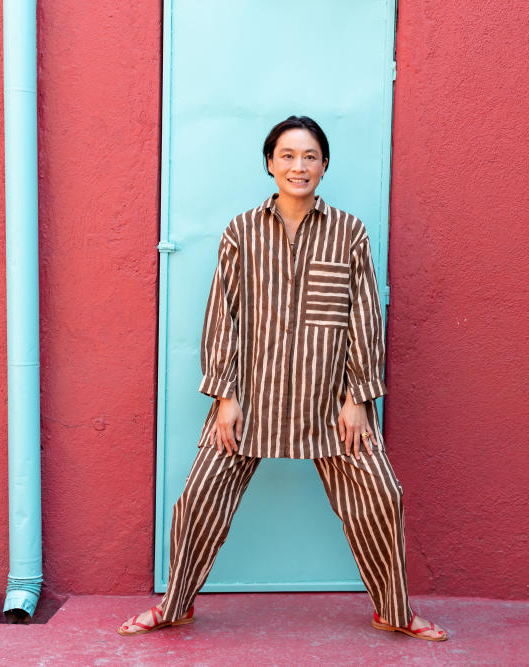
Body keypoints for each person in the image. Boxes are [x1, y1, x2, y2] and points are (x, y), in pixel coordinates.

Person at [118, 116, 448, 641]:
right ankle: (175, 604)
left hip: (331, 401)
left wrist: (358, 398)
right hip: (251, 397)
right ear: (270, 163)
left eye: (310, 156)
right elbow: (221, 314)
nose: (299, 166)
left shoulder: (349, 232)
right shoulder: (242, 231)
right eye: (288, 156)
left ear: (325, 165)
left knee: (382, 496)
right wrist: (225, 396)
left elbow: (364, 316)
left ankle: (394, 610)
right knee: (198, 499)